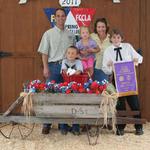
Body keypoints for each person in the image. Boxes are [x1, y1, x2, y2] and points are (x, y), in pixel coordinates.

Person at [38, 8, 76, 135]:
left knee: (65, 96)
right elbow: (44, 52)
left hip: (67, 68)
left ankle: (63, 125)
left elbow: (75, 52)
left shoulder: (71, 34)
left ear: (65, 18)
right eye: (58, 16)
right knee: (50, 95)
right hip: (53, 67)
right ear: (55, 18)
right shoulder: (48, 34)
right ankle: (46, 124)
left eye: (62, 16)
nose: (60, 18)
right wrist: (45, 67)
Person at [102, 28, 144, 136]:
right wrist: (109, 65)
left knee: (134, 103)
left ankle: (139, 126)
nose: (116, 39)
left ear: (122, 38)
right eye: (114, 37)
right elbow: (104, 68)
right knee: (119, 105)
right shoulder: (108, 50)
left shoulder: (128, 47)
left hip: (130, 79)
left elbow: (140, 58)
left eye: (118, 37)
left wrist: (136, 60)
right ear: (110, 39)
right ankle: (120, 127)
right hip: (117, 80)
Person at [61, 46, 83, 135]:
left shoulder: (78, 62)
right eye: (69, 53)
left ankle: (75, 127)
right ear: (66, 54)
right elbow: (64, 71)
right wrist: (70, 73)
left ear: (77, 55)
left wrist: (72, 73)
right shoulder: (64, 61)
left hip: (76, 86)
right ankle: (63, 127)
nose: (70, 55)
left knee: (76, 105)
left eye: (73, 53)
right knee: (64, 105)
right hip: (66, 86)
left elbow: (79, 71)